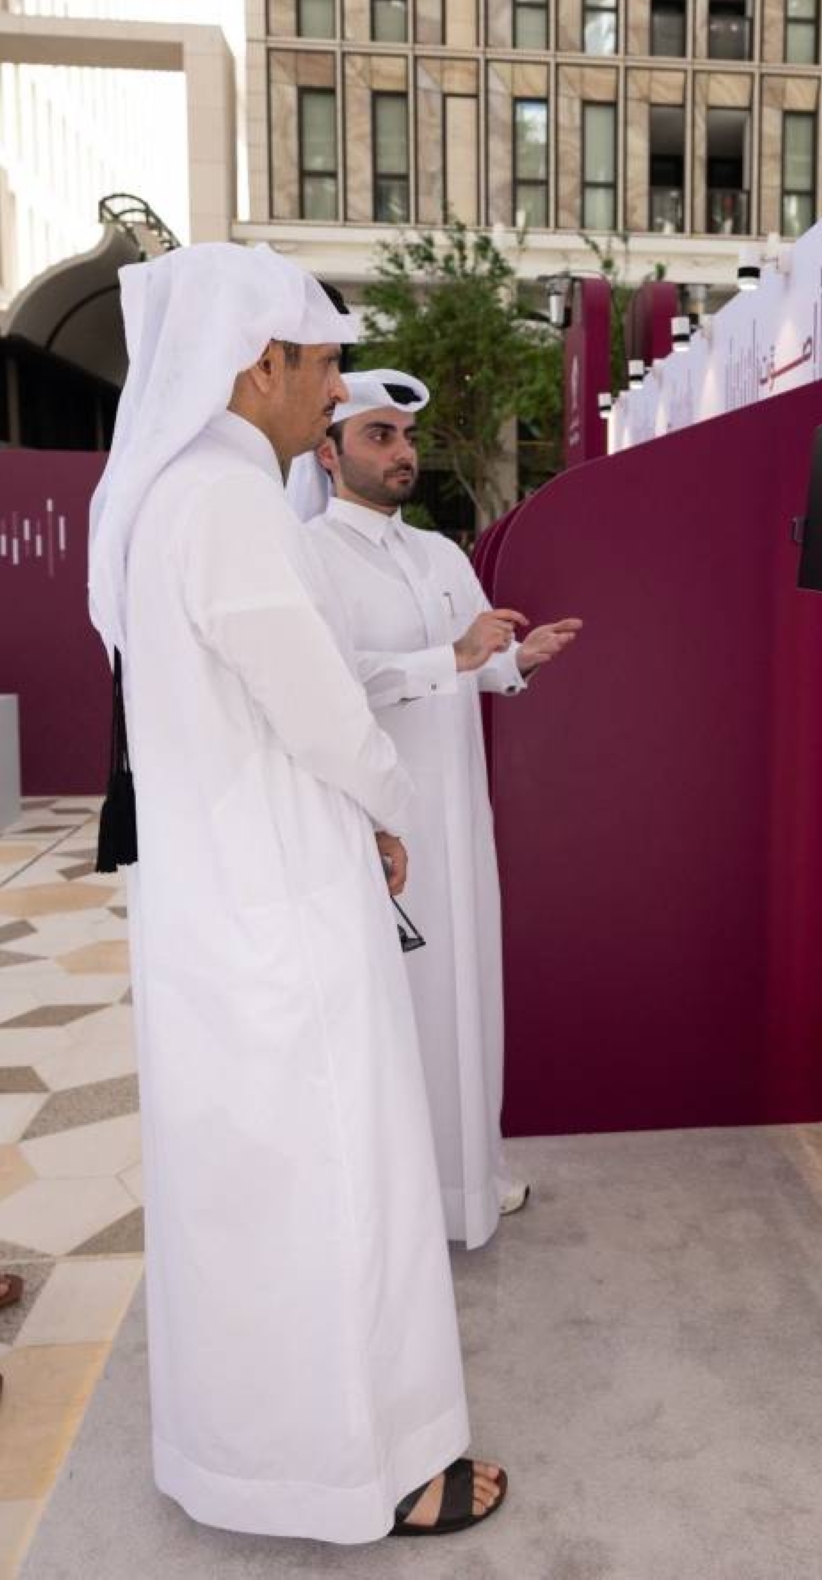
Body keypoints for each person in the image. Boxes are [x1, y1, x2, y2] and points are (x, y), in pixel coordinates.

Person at [88, 245, 505, 1543]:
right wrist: (385, 802)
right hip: (279, 900)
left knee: (249, 1188)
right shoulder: (224, 496)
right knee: (340, 1179)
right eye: (323, 364)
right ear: (256, 361)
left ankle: (254, 1458)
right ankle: (377, 1468)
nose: (333, 391)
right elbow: (314, 703)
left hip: (226, 899)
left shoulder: (177, 493)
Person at [287, 371, 581, 1249]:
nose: (403, 451)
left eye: (407, 436)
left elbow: (475, 665)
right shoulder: (309, 555)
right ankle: (404, 1207)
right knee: (400, 1011)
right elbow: (334, 683)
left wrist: (516, 660)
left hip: (460, 825)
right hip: (382, 828)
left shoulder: (440, 556)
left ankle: (468, 1182)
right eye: (379, 435)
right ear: (328, 452)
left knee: (467, 997)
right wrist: (449, 655)